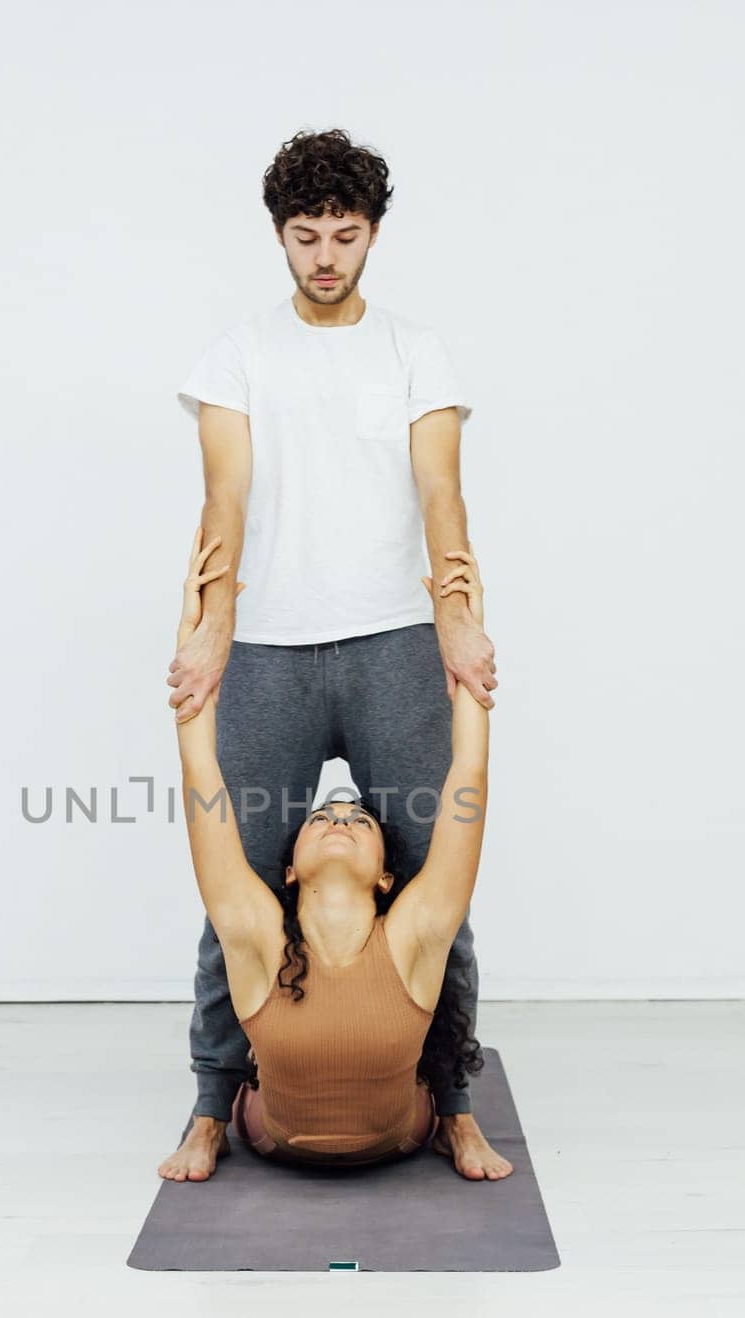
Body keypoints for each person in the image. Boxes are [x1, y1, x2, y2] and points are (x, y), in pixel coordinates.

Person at [159, 126, 511, 1182]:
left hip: (394, 643)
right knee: (241, 888)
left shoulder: (416, 351)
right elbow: (222, 499)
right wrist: (212, 630)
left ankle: (448, 1101)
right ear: (278, 236)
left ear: (371, 236)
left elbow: (439, 491)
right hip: (268, 649)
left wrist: (456, 615)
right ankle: (215, 1105)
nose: (323, 255)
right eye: (305, 235)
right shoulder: (238, 355)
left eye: (343, 235)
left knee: (437, 894)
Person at [158, 526, 511, 1179]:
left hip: (403, 1131)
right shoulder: (255, 931)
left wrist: (467, 645)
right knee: (225, 931)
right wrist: (193, 648)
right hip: (272, 1135)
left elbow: (469, 774)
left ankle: (455, 1113)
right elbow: (200, 779)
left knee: (448, 930)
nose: (339, 815)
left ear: (386, 875)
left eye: (353, 815)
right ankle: (210, 1113)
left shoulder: (416, 929)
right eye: (323, 812)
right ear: (288, 868)